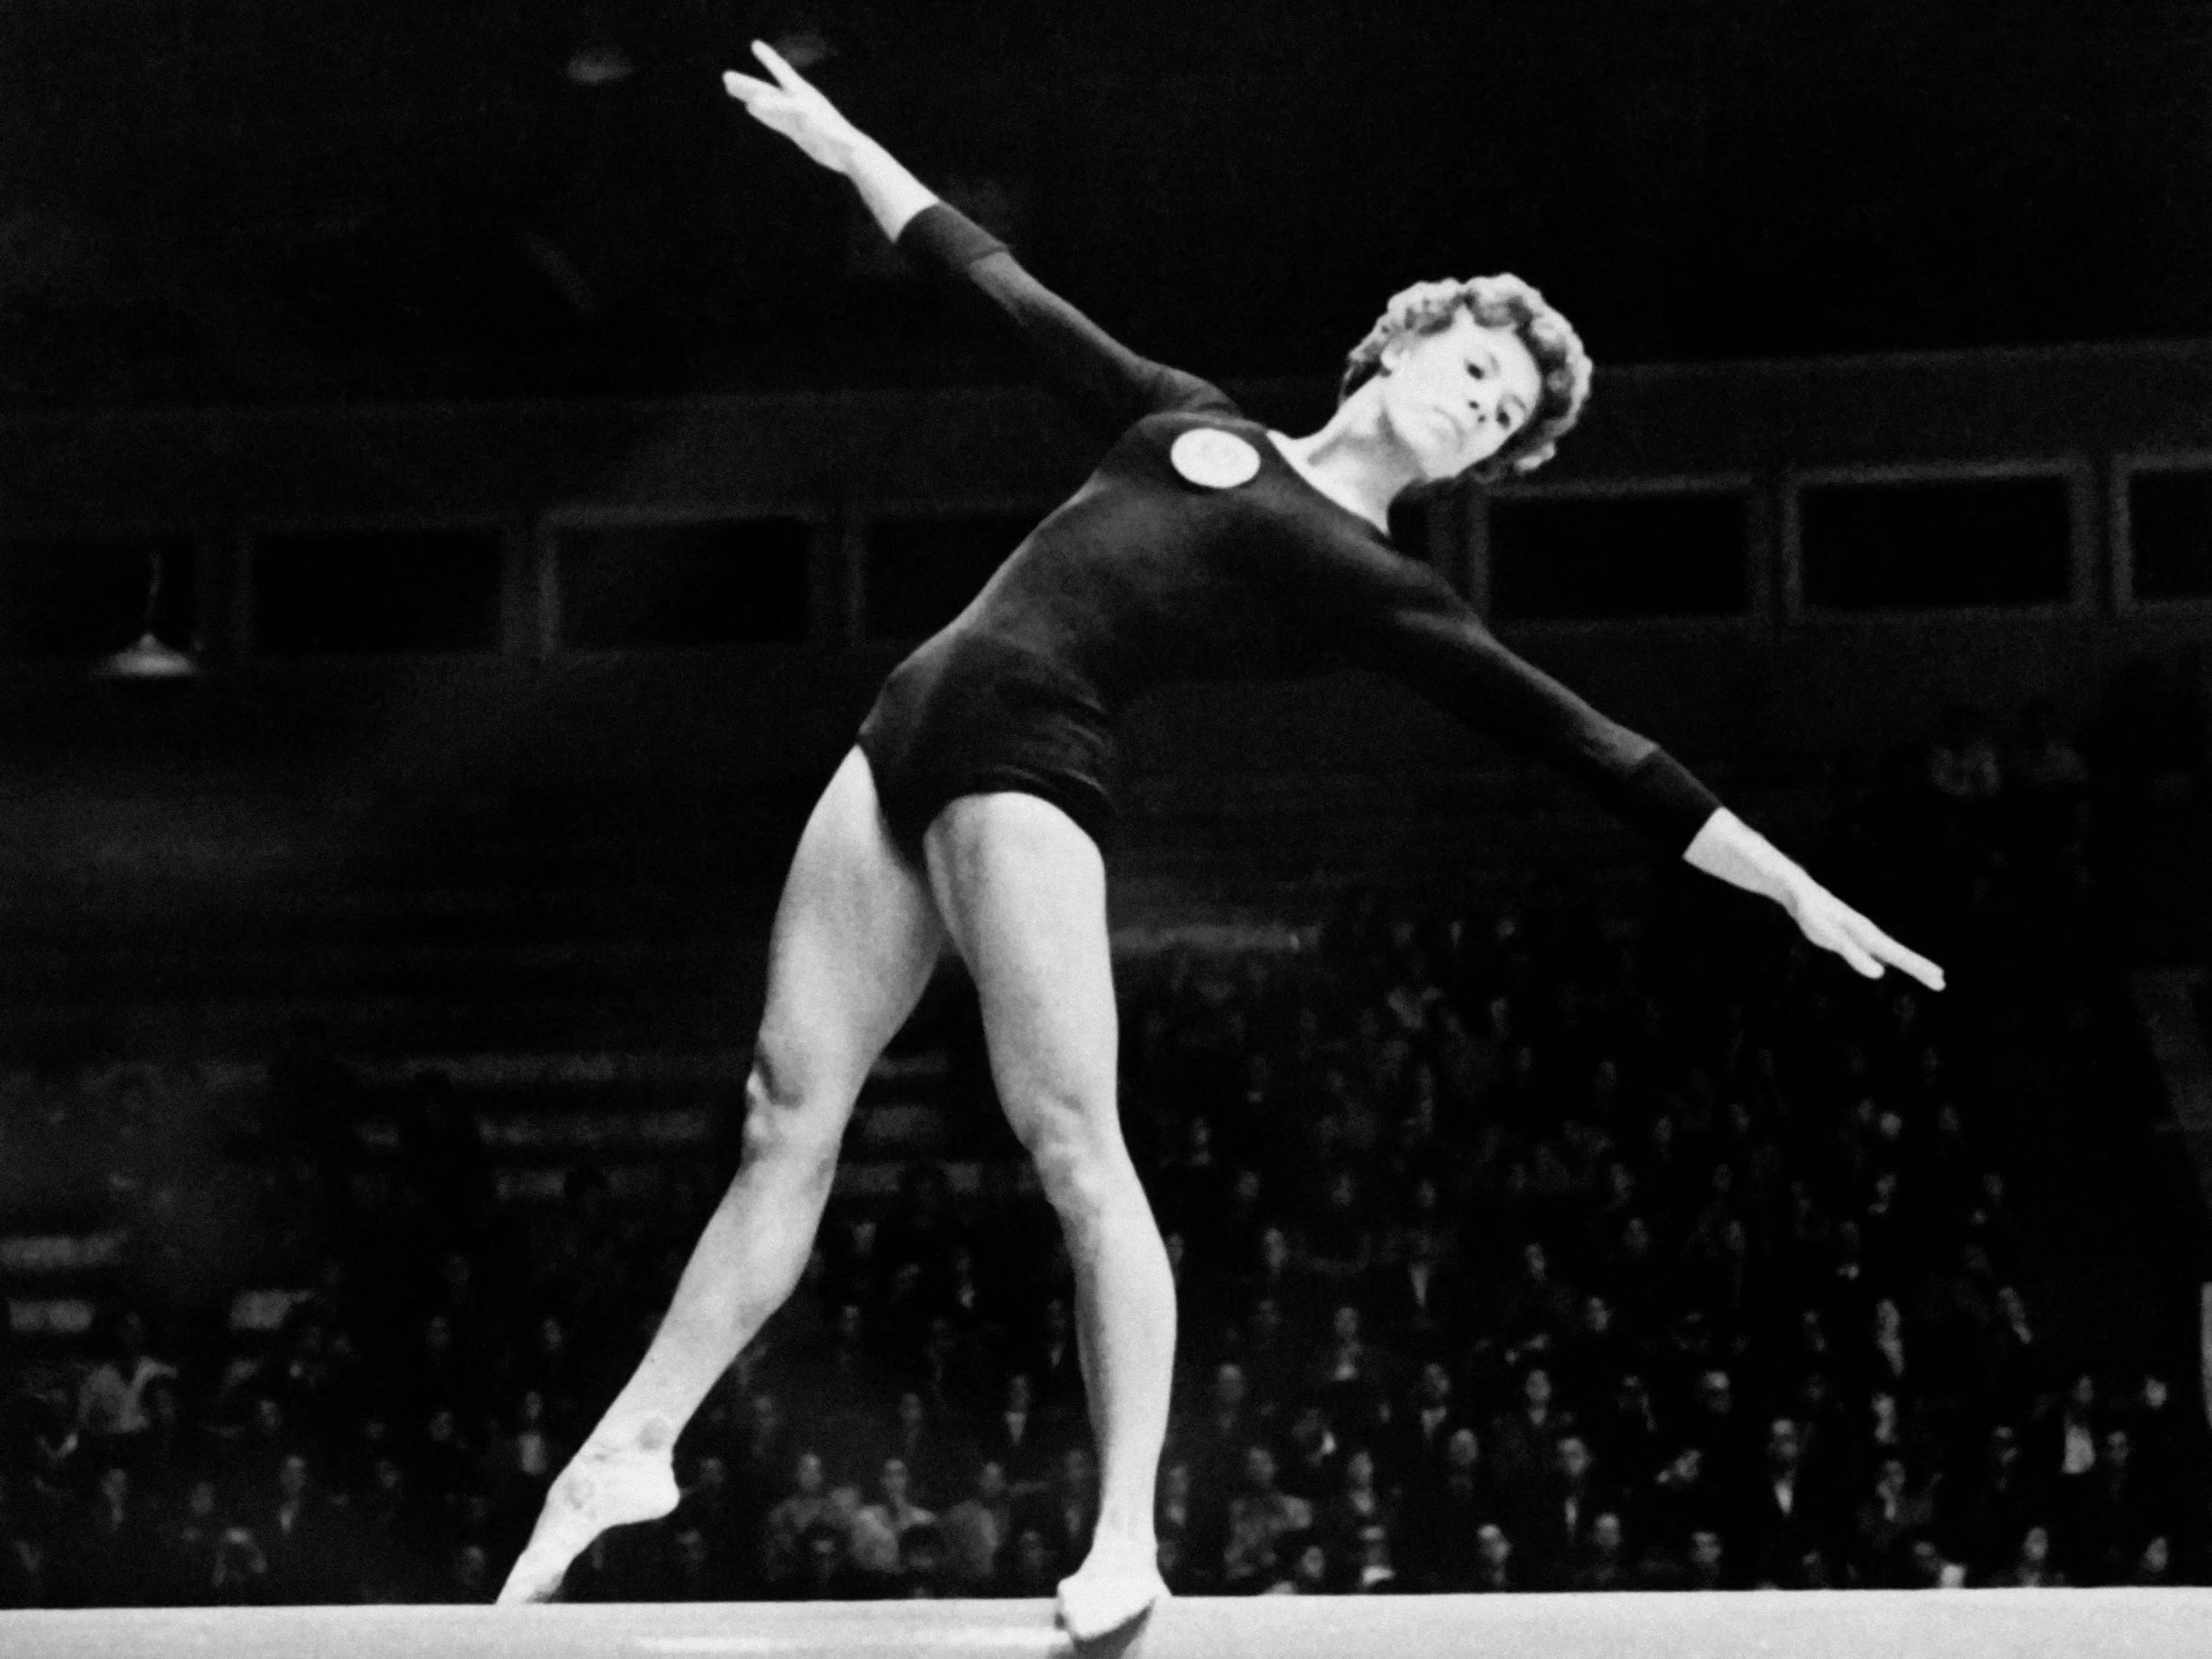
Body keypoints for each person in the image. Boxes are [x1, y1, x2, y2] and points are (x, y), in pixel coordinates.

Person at [499, 39, 1945, 1640]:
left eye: (1509, 417)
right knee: (786, 1111)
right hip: (899, 735)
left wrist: (1794, 885)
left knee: (1073, 1150)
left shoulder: (1380, 581)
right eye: (1475, 367)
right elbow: (1002, 291)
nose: (1482, 405)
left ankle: (1125, 1539)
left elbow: (1584, 739)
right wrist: (847, 146)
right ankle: (633, 1445)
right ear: (1398, 346)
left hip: (1032, 766)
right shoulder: (1194, 424)